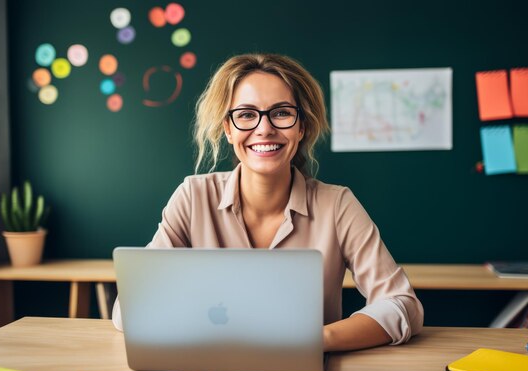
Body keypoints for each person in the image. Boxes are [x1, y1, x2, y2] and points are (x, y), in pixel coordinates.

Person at [112, 53, 424, 351]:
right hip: (208, 370)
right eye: (246, 114)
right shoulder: (193, 197)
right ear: (228, 129)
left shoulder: (338, 205)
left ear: (301, 127)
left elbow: (402, 305)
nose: (264, 128)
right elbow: (130, 308)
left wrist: (318, 338)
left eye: (282, 113)